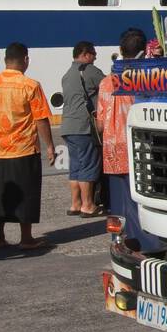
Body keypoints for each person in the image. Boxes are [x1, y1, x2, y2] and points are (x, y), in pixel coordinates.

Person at [0, 43, 55, 250]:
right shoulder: (30, 85)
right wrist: (49, 146)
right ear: (26, 59)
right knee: (26, 192)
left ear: (5, 60)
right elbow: (41, 119)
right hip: (24, 148)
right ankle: (26, 238)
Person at [97, 28, 162, 252]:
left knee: (118, 201)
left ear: (120, 50)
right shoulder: (144, 79)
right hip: (137, 147)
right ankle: (146, 243)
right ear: (143, 51)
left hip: (111, 148)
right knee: (141, 198)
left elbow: (99, 123)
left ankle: (119, 240)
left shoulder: (106, 82)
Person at [60, 40, 105, 217]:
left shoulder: (67, 74)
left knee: (75, 166)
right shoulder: (89, 71)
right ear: (85, 54)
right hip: (83, 126)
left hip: (67, 126)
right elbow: (110, 86)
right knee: (88, 164)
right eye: (93, 53)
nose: (95, 57)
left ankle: (75, 203)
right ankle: (88, 205)